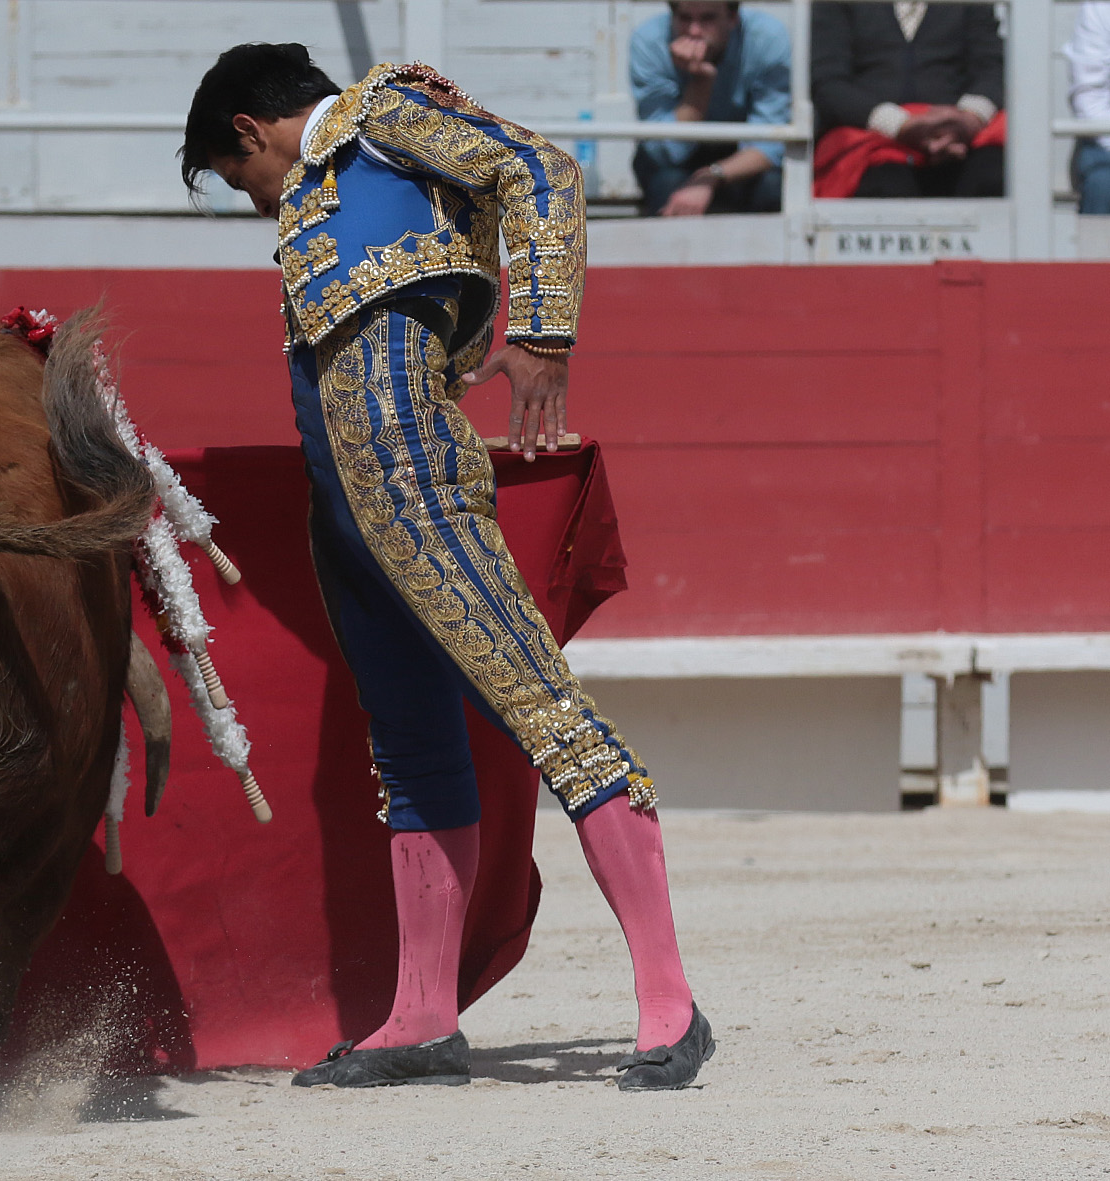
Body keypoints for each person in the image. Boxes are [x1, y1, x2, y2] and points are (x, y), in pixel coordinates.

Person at [181, 44, 712, 1091]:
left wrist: (543, 331)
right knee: (413, 754)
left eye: (241, 181)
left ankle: (668, 1001)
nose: (256, 206)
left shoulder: (382, 116)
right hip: (342, 507)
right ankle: (421, 1018)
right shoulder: (337, 183)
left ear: (249, 130)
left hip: (416, 480)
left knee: (542, 705)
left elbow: (540, 169)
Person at [810, 1, 1005, 199]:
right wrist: (899, 125)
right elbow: (827, 82)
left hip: (962, 133)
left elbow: (992, 67)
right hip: (869, 133)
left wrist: (969, 118)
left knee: (996, 176)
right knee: (884, 189)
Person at [630, 1, 790, 216]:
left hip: (743, 155)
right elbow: (663, 151)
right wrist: (701, 81)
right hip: (681, 155)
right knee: (667, 183)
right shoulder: (650, 41)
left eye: (708, 18)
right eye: (685, 18)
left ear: (733, 18)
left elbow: (771, 142)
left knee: (772, 186)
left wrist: (710, 176)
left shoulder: (768, 38)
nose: (694, 31)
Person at [1066, 2, 1110, 215]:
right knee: (1103, 182)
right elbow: (1088, 98)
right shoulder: (1099, 7)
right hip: (1105, 140)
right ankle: (1095, 249)